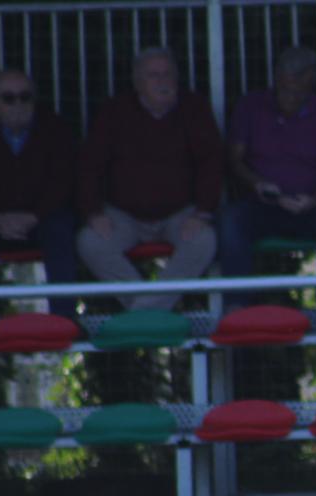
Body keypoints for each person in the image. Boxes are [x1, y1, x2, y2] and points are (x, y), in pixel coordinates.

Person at [76, 47, 223, 311]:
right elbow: (90, 165)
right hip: (123, 215)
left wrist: (202, 213)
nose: (162, 81)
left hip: (180, 214)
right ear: (137, 83)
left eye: (167, 74)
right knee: (90, 241)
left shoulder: (194, 108)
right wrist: (94, 213)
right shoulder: (114, 111)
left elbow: (212, 163)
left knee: (204, 240)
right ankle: (152, 310)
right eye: (153, 75)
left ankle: (143, 312)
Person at [218, 46, 316, 314]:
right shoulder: (250, 107)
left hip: (309, 208)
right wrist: (257, 183)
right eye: (285, 88)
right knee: (230, 219)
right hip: (261, 205)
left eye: (299, 90)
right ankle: (236, 308)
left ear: (311, 83)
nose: (290, 96)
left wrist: (313, 199)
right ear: (276, 78)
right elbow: (234, 160)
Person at [0, 70, 78, 318]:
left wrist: (35, 216)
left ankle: (65, 322)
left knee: (61, 230)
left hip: (42, 221)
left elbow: (65, 182)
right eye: (9, 98)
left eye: (25, 97)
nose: (18, 104)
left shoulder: (56, 131)